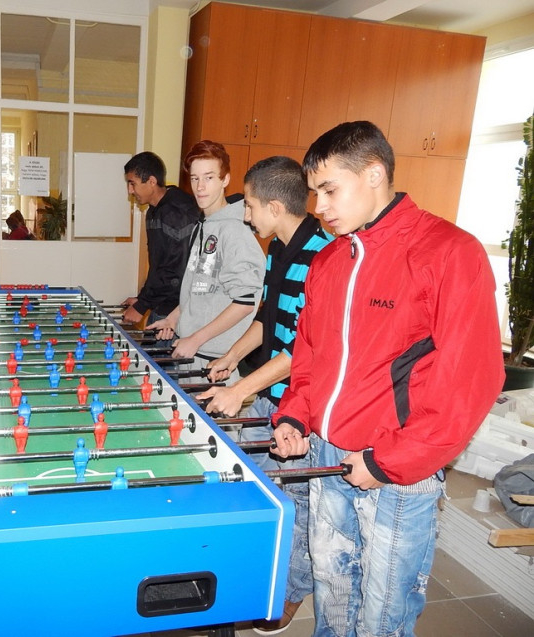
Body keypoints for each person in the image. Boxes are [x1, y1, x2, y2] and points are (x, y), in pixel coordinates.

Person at [269, 121, 505, 636]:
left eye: (329, 189)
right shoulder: (329, 260)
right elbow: (310, 356)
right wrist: (295, 415)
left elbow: (470, 381)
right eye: (315, 193)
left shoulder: (448, 252)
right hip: (329, 457)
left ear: (373, 173)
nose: (320, 206)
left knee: (383, 613)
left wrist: (389, 462)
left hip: (399, 467)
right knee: (332, 595)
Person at [196, 156, 332, 632]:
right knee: (257, 489)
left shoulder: (321, 256)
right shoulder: (276, 247)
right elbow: (266, 319)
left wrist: (241, 389)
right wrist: (231, 358)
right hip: (269, 392)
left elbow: (302, 350)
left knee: (298, 506)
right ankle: (257, 573)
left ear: (275, 206)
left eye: (250, 205)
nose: (246, 214)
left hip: (303, 405)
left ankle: (290, 593)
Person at [150, 140, 265, 382]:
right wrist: (174, 318)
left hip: (215, 362)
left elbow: (245, 302)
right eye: (195, 178)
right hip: (192, 353)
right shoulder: (202, 226)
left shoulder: (234, 231)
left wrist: (196, 339)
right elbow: (201, 289)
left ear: (225, 180)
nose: (200, 187)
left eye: (209, 178)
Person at [119, 151, 198, 327]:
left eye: (132, 183)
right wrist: (142, 298)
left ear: (152, 181)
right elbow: (158, 266)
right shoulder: (154, 210)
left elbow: (175, 269)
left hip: (177, 309)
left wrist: (142, 306)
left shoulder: (177, 212)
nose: (130, 190)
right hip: (162, 303)